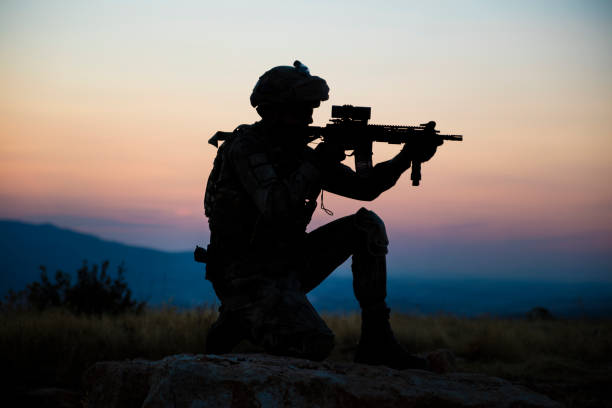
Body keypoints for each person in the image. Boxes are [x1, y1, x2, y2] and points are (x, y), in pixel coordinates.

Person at [202, 61, 440, 369]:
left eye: (310, 110)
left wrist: (406, 156)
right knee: (312, 343)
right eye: (300, 111)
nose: (308, 119)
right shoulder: (246, 148)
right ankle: (238, 319)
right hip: (245, 275)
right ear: (271, 111)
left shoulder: (299, 153)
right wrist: (324, 156)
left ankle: (377, 342)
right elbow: (275, 206)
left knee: (365, 227)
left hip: (286, 263)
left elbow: (364, 188)